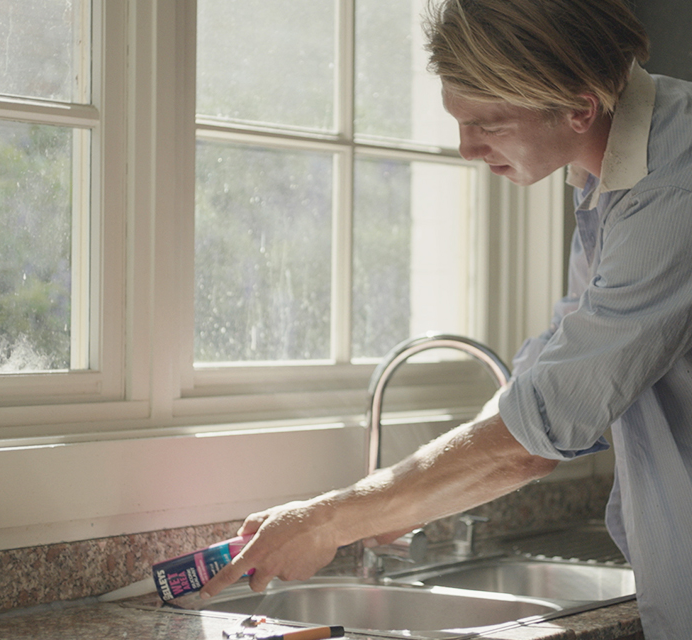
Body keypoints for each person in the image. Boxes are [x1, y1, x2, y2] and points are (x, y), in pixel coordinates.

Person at [201, 1, 692, 636]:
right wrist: (397, 499)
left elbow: (539, 433)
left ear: (579, 106)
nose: (464, 148)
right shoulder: (614, 177)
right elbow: (547, 380)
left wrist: (331, 519)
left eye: (490, 122)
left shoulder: (668, 194)